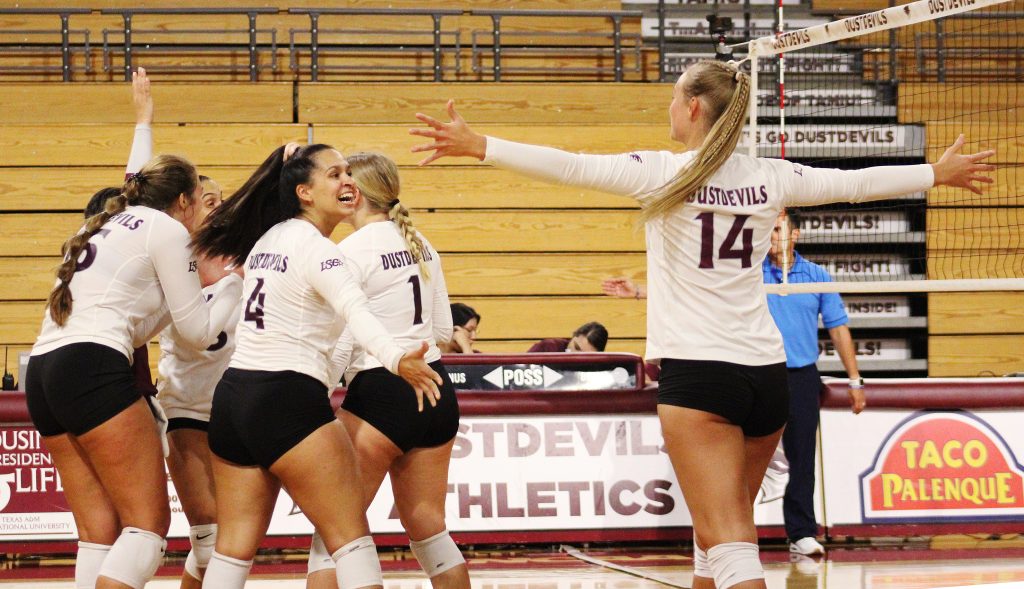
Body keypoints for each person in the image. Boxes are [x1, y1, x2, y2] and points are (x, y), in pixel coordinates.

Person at [409, 58, 994, 589]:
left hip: (702, 377)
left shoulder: (665, 173)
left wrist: (477, 143)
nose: (667, 106)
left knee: (731, 543)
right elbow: (857, 184)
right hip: (767, 377)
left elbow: (567, 166)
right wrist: (934, 174)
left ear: (693, 107)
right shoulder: (772, 177)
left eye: (672, 97)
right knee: (714, 535)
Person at [190, 143, 444, 589]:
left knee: (232, 552)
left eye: (349, 172)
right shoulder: (323, 253)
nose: (347, 181)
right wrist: (395, 357)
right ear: (305, 192)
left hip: (232, 399)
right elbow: (358, 313)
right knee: (351, 543)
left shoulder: (267, 237)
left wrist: (277, 163)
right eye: (334, 174)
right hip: (285, 396)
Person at [25, 142, 242, 589]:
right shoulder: (165, 228)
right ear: (183, 200)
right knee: (146, 529)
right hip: (91, 364)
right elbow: (198, 333)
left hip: (44, 370)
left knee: (97, 533)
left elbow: (143, 322)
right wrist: (229, 288)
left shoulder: (105, 222)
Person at [305, 152, 468, 589]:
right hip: (435, 388)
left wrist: (314, 395)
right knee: (430, 530)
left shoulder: (347, 251)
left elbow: (340, 344)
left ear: (353, 192)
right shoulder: (422, 244)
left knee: (335, 536)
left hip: (380, 391)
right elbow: (443, 329)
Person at [763, 208, 866, 556]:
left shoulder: (817, 275)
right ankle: (736, 534)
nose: (773, 235)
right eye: (769, 229)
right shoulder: (748, 273)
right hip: (758, 373)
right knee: (743, 457)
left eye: (779, 228)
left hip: (801, 377)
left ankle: (801, 533)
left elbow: (838, 328)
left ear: (796, 235)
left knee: (802, 458)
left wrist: (855, 382)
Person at [155, 173, 235, 589]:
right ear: (186, 208)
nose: (218, 205)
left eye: (222, 199)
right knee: (211, 538)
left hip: (233, 409)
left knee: (221, 543)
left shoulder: (243, 256)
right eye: (208, 199)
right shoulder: (172, 260)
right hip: (185, 405)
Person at [527, 321, 608, 352]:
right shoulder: (548, 348)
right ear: (573, 337)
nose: (576, 355)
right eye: (577, 347)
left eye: (585, 355)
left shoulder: (599, 372)